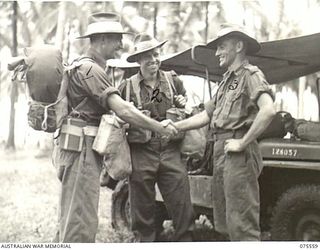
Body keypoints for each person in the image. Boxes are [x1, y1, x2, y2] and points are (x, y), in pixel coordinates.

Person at [53, 13, 177, 243]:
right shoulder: (91, 70)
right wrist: (157, 127)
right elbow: (123, 110)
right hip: (81, 150)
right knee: (80, 219)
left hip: (78, 147)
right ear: (101, 40)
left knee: (72, 215)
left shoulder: (83, 66)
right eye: (116, 39)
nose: (121, 44)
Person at [171, 24, 276, 241]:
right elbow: (206, 116)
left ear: (238, 46)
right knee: (225, 222)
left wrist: (243, 143)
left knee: (242, 225)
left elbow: (268, 110)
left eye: (221, 47)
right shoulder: (228, 81)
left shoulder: (251, 75)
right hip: (221, 154)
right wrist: (174, 126)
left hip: (238, 154)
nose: (217, 53)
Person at [118, 34, 194, 242]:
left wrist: (181, 102)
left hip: (170, 149)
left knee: (181, 202)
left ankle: (185, 241)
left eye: (156, 54)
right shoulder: (127, 87)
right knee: (141, 207)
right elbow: (118, 115)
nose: (153, 59)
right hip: (141, 151)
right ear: (138, 60)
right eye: (147, 56)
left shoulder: (173, 80)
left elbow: (185, 108)